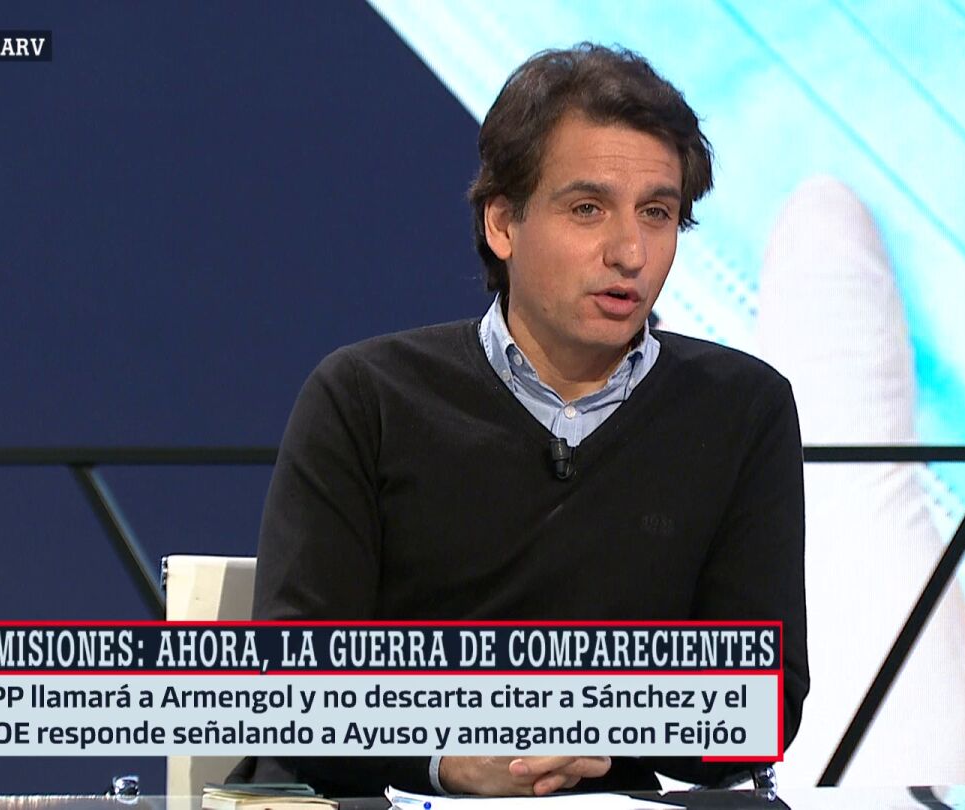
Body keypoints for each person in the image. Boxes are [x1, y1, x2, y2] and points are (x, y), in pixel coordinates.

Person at [246, 43, 808, 797]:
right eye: (587, 209)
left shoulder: (742, 408)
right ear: (503, 223)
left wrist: (595, 726)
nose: (630, 252)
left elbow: (765, 703)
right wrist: (448, 759)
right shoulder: (366, 397)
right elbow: (290, 687)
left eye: (658, 213)